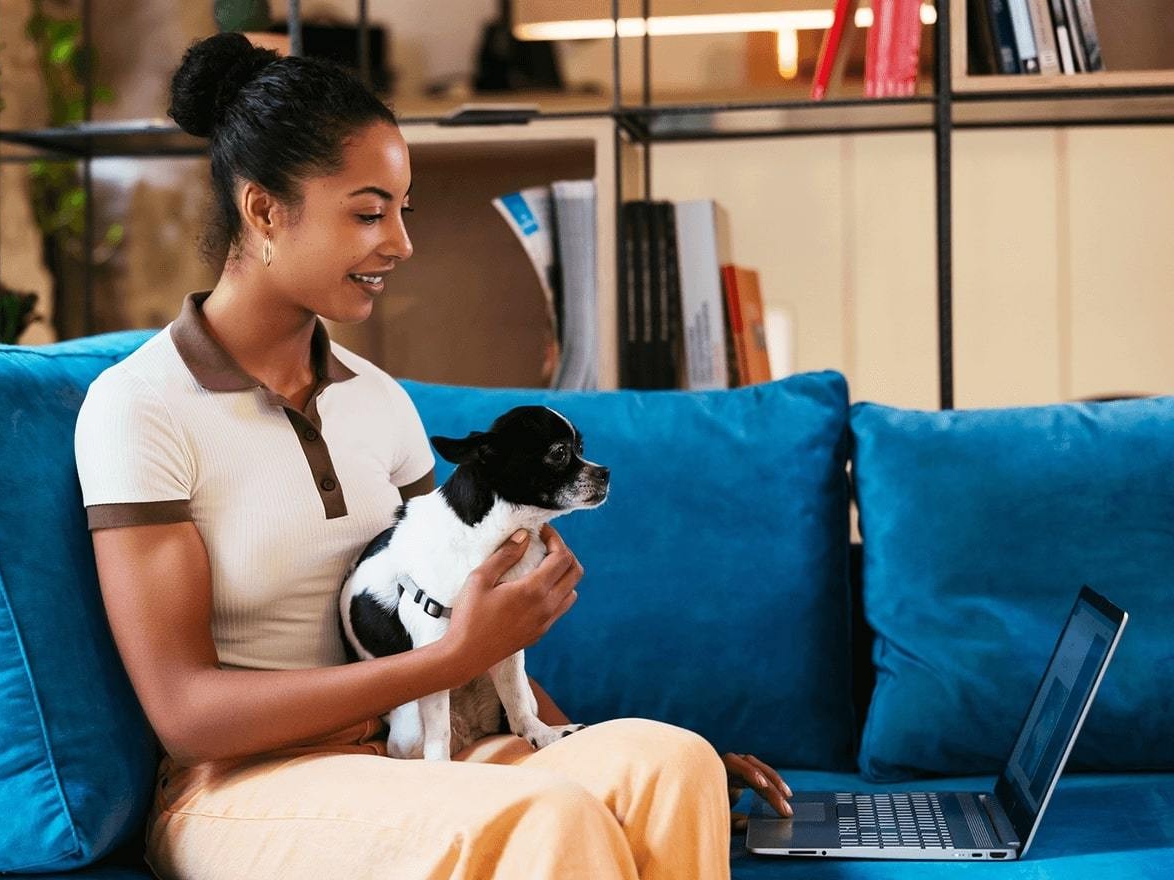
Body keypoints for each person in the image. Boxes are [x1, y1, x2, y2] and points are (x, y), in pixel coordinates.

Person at [73, 32, 793, 880]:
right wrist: (445, 661)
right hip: (239, 785)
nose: (401, 243)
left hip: (417, 741)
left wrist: (569, 739)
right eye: (369, 212)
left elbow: (462, 607)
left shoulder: (378, 400)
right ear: (265, 211)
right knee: (547, 817)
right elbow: (186, 716)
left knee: (668, 766)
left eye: (402, 211)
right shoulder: (140, 408)